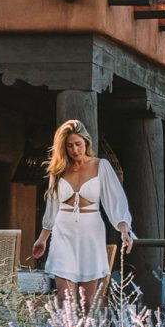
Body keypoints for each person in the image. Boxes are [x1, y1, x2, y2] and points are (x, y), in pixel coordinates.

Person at [32, 119, 134, 312]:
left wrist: (123, 229)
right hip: (63, 231)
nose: (75, 150)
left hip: (91, 231)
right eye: (69, 146)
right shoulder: (59, 169)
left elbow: (116, 201)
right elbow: (52, 207)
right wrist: (42, 239)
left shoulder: (101, 166)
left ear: (86, 142)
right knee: (65, 300)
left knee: (88, 303)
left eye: (78, 144)